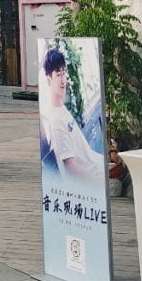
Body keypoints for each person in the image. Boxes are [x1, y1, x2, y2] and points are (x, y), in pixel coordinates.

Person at [41, 47, 104, 184]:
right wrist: (99, 182)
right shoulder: (56, 119)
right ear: (48, 79)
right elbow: (71, 168)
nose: (63, 80)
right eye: (58, 74)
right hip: (94, 177)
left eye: (64, 73)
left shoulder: (61, 109)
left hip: (97, 165)